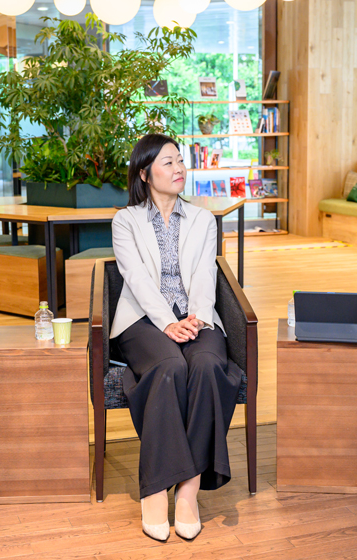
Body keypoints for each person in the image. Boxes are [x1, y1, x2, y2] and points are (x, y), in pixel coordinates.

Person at [110, 134, 242, 542]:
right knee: (168, 366)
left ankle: (188, 487)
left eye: (180, 161)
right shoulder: (125, 220)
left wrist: (197, 319)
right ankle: (154, 488)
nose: (179, 168)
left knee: (205, 365)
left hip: (194, 315)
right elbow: (136, 280)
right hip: (143, 321)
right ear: (145, 173)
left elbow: (205, 277)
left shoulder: (202, 219)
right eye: (168, 163)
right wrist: (168, 323)